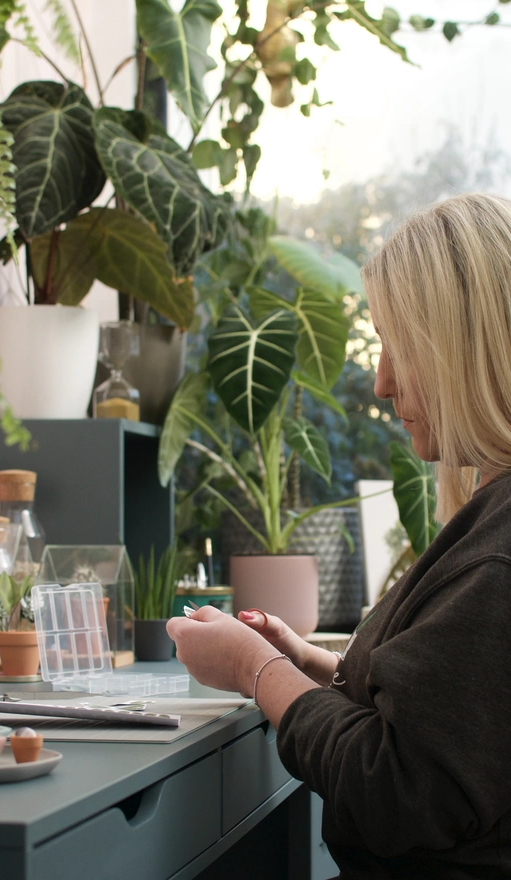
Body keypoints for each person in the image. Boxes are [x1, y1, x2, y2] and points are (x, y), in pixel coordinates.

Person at [167, 192, 511, 879]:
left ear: (461, 349)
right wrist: (311, 664)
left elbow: (397, 789)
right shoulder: (493, 517)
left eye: (399, 346)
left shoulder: (499, 552)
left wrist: (253, 671)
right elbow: (459, 712)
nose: (381, 381)